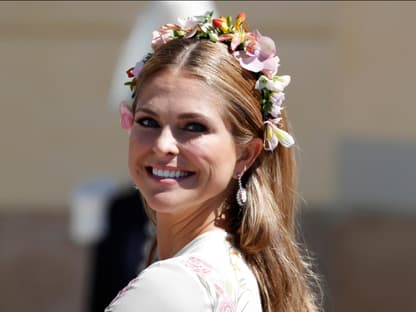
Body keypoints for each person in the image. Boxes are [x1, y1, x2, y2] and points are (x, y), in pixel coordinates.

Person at [106, 11, 320, 312]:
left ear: (246, 154)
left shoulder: (167, 290)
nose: (164, 144)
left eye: (194, 127)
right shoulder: (241, 273)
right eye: (148, 121)